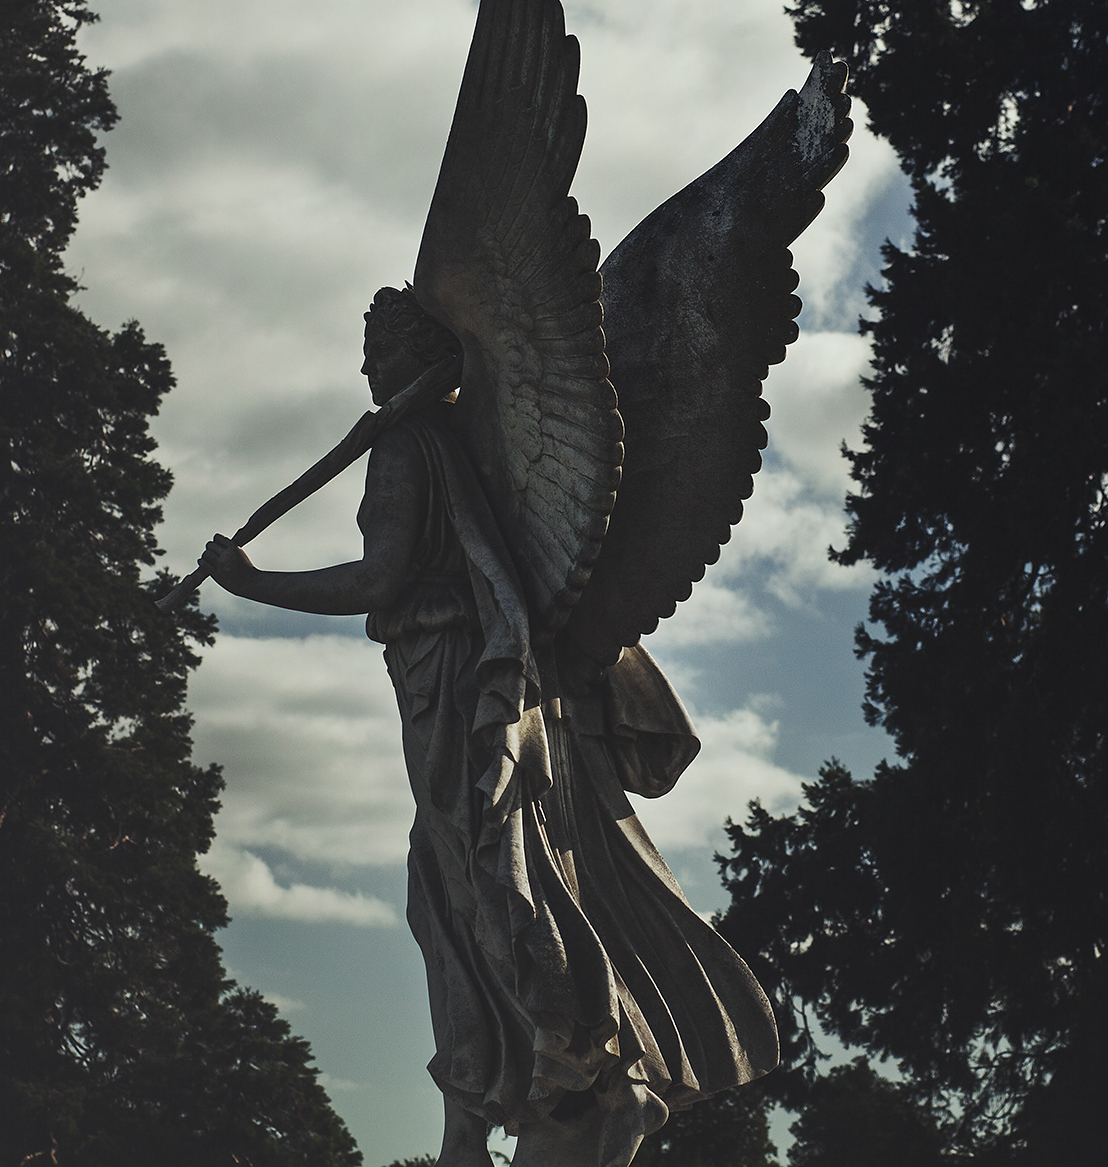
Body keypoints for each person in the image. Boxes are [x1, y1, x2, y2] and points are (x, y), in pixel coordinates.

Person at [201, 288, 777, 1167]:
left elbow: (377, 580)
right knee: (462, 881)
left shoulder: (408, 444)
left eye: (380, 351)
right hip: (459, 679)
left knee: (482, 882)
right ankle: (502, 1109)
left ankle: (578, 1074)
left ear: (419, 358)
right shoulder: (465, 447)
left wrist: (252, 583)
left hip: (451, 682)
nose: (367, 368)